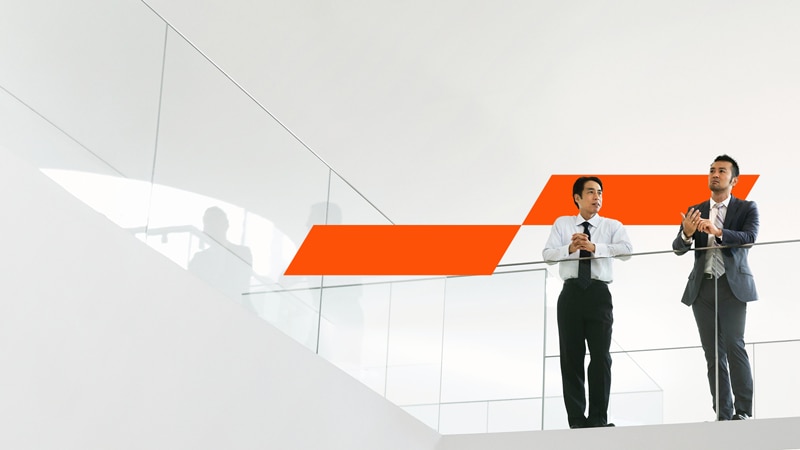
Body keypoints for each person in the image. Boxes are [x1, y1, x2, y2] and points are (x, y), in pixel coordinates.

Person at [672, 154, 758, 421]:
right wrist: (687, 233)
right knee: (713, 355)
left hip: (732, 287)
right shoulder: (695, 209)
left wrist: (718, 231)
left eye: (721, 171)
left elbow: (749, 238)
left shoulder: (746, 208)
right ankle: (723, 413)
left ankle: (743, 412)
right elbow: (678, 248)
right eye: (712, 170)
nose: (715, 174)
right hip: (703, 288)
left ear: (734, 180)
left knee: (734, 346)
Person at [542, 176, 633, 429]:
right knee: (571, 358)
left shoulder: (612, 225)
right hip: (570, 293)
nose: (597, 197)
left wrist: (595, 247)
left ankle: (598, 419)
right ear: (577, 198)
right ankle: (576, 421)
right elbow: (548, 255)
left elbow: (627, 250)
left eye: (600, 192)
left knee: (601, 357)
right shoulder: (562, 224)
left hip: (598, 294)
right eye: (591, 192)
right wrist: (570, 249)